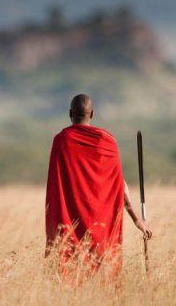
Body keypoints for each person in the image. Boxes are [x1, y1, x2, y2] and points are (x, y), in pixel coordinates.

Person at [45, 94, 152, 281]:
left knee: (68, 282)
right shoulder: (107, 141)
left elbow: (56, 189)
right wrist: (137, 220)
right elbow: (119, 185)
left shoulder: (61, 140)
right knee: (104, 282)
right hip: (102, 229)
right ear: (92, 114)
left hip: (69, 227)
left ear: (70, 113)